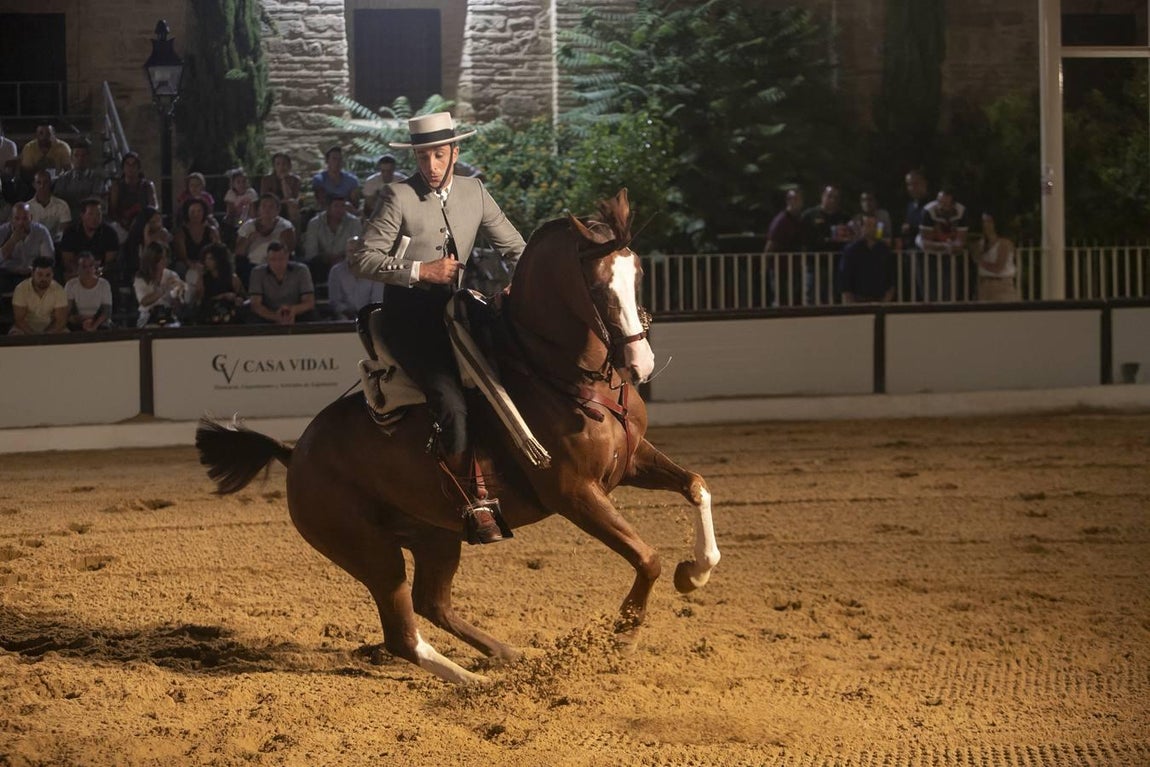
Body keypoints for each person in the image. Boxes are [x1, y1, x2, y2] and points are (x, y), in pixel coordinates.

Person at [351, 111, 526, 544]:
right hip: (408, 320)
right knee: (452, 401)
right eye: (424, 156)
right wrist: (419, 270)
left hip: (461, 312)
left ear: (455, 153)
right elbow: (362, 259)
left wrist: (518, 283)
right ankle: (471, 501)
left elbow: (518, 249)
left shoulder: (475, 191)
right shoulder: (398, 196)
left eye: (439, 154)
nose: (431, 165)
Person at [800, 184, 851, 305]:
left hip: (836, 264)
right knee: (812, 296)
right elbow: (803, 238)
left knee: (835, 298)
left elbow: (850, 238)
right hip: (815, 263)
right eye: (829, 196)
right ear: (822, 196)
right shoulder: (809, 215)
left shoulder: (844, 217)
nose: (832, 200)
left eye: (836, 197)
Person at [917, 186, 969, 301]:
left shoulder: (961, 211)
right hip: (929, 257)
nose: (941, 206)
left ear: (953, 204)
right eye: (939, 202)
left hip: (950, 257)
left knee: (950, 291)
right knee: (930, 292)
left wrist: (954, 246)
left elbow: (961, 241)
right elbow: (926, 241)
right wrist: (946, 246)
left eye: (945, 204)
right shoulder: (928, 211)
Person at [235, 192, 296, 287]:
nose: (267, 210)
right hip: (253, 266)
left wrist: (284, 241)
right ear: (259, 209)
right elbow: (238, 252)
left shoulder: (285, 226)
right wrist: (249, 239)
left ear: (277, 210)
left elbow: (291, 249)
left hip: (278, 265)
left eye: (271, 207)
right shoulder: (248, 226)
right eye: (264, 206)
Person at [247, 241, 316, 324]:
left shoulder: (301, 270)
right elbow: (255, 305)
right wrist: (275, 317)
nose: (277, 264)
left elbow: (309, 302)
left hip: (296, 312)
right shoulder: (257, 273)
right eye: (273, 260)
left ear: (287, 257)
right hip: (268, 314)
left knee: (311, 316)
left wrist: (292, 310)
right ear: (267, 260)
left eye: (281, 259)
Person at [303, 195, 362, 284]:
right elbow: (311, 251)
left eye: (343, 206)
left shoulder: (354, 222)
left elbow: (357, 248)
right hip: (321, 264)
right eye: (336, 206)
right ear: (328, 207)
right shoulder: (314, 223)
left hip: (346, 261)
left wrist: (342, 258)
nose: (340, 210)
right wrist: (327, 258)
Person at [59, 197, 120, 282]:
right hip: (76, 273)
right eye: (91, 214)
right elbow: (67, 260)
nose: (95, 218)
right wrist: (81, 272)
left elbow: (110, 262)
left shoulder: (110, 233)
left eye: (98, 214)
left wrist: (97, 272)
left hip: (101, 274)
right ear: (82, 215)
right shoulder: (70, 232)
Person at [0, 202, 55, 293]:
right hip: (7, 273)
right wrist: (12, 241)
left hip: (33, 273)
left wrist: (33, 269)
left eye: (25, 218)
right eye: (17, 218)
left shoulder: (41, 231)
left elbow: (48, 259)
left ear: (31, 218)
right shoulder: (2, 231)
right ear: (11, 219)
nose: (21, 223)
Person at [762, 186, 804, 307]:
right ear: (788, 201)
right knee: (780, 300)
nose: (796, 202)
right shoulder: (781, 221)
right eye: (793, 199)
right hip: (779, 268)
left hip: (794, 267)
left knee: (794, 300)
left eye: (798, 199)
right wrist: (765, 267)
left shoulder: (799, 219)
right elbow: (770, 245)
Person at [840, 215, 895, 304]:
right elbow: (845, 279)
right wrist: (850, 303)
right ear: (861, 227)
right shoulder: (851, 250)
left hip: (880, 299)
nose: (872, 229)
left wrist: (886, 301)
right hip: (858, 299)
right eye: (868, 225)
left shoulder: (884, 249)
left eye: (875, 226)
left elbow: (890, 277)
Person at [326, 236, 382, 320]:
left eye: (358, 251)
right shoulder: (336, 271)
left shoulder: (375, 271)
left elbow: (377, 300)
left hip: (369, 317)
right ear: (346, 253)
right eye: (351, 251)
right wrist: (348, 312)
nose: (354, 254)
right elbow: (335, 301)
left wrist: (364, 315)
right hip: (344, 317)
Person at [10, 255, 68, 335]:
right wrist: (34, 336)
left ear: (52, 275)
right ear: (33, 274)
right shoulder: (21, 289)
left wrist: (47, 335)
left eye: (48, 275)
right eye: (40, 274)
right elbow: (19, 320)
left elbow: (60, 320)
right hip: (25, 327)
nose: (44, 279)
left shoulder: (59, 290)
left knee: (66, 336)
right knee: (15, 336)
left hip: (51, 327)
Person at [133, 241, 186, 327]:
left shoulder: (172, 275)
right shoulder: (141, 277)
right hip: (148, 316)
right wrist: (163, 289)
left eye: (166, 258)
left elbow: (179, 302)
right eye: (161, 258)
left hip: (168, 314)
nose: (165, 261)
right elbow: (144, 301)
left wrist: (178, 295)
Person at [107, 151, 158, 240]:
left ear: (138, 168)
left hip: (144, 223)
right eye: (128, 165)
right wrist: (123, 221)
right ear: (123, 168)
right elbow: (112, 210)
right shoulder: (117, 187)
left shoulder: (147, 186)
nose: (130, 168)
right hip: (122, 224)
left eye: (134, 165)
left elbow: (154, 207)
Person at [53, 139, 108, 219]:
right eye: (76, 155)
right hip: (67, 217)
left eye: (83, 155)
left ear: (88, 158)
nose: (80, 159)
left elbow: (95, 200)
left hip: (89, 217)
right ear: (71, 158)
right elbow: (58, 200)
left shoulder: (97, 178)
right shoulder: (63, 178)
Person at [900, 168, 931, 301]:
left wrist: (911, 228)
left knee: (925, 289)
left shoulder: (930, 205)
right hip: (910, 252)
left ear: (924, 183)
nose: (912, 188)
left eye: (915, 183)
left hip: (925, 255)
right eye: (909, 184)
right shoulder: (910, 206)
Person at [197, 242, 246, 324]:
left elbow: (242, 296)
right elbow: (200, 300)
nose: (207, 262)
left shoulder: (233, 278)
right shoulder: (203, 278)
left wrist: (237, 299)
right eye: (206, 259)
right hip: (209, 311)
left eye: (211, 259)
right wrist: (222, 296)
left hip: (229, 311)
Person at [976, 212, 1019, 302]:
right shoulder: (982, 243)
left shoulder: (1004, 243)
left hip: (1001, 285)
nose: (986, 225)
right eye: (984, 221)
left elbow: (998, 267)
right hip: (985, 284)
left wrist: (980, 261)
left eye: (989, 221)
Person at [172, 198, 220, 277]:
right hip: (188, 264)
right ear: (187, 213)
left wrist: (207, 264)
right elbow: (182, 256)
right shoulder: (180, 232)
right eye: (192, 211)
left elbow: (218, 250)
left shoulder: (212, 231)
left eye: (199, 211)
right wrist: (192, 265)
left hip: (208, 263)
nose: (196, 214)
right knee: (180, 267)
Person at [65, 252, 113, 331]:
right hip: (78, 322)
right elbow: (67, 311)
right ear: (78, 268)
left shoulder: (104, 284)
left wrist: (94, 325)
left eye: (90, 266)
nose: (88, 270)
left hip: (99, 322)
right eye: (84, 267)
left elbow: (107, 311)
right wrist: (81, 320)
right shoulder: (71, 285)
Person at [310, 145, 360, 211]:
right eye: (334, 159)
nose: (337, 162)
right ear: (327, 161)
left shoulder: (351, 180)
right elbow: (321, 201)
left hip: (346, 211)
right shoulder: (319, 179)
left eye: (340, 159)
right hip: (326, 211)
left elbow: (355, 203)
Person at [28, 169, 72, 243]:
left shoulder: (62, 205)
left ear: (50, 183)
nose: (42, 186)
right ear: (34, 185)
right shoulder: (27, 207)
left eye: (45, 182)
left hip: (57, 244)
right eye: (39, 183)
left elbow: (64, 230)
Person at [260, 152, 302, 228]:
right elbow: (265, 198)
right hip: (272, 205)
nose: (281, 167)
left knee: (292, 205)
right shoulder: (267, 180)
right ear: (274, 166)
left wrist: (283, 180)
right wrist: (282, 201)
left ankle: (293, 232)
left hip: (288, 206)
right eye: (278, 164)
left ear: (289, 165)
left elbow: (292, 197)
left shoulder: (295, 180)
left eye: (284, 164)